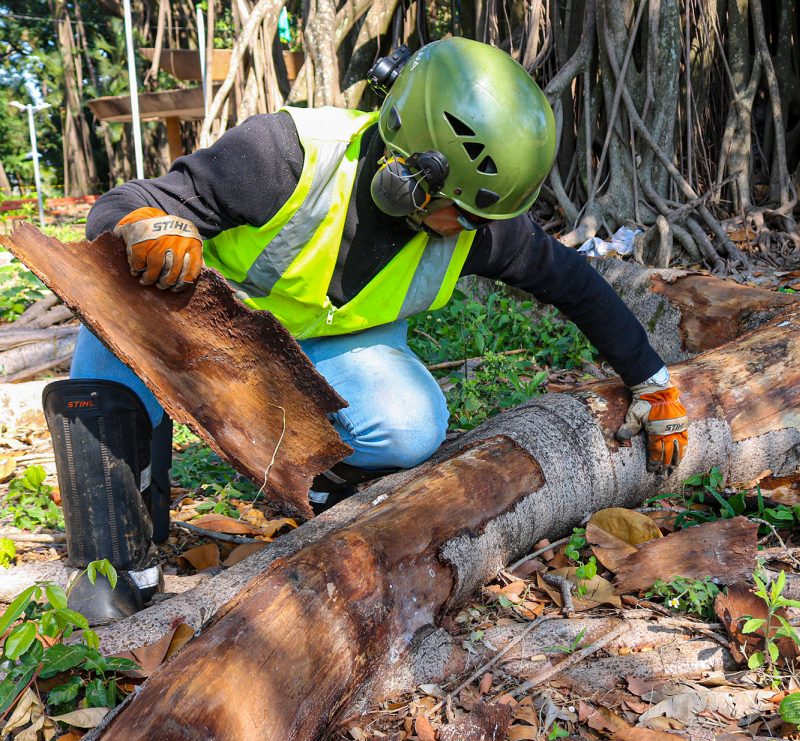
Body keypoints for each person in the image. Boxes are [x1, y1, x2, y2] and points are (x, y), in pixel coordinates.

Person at [42, 38, 688, 623]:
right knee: (111, 352)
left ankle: (311, 477)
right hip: (193, 328)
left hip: (324, 352)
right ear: (409, 169)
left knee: (410, 425)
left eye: (475, 216)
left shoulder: (479, 226)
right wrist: (149, 227)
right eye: (453, 210)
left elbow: (574, 283)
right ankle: (116, 558)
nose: (464, 230)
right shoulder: (286, 155)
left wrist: (651, 382)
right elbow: (125, 201)